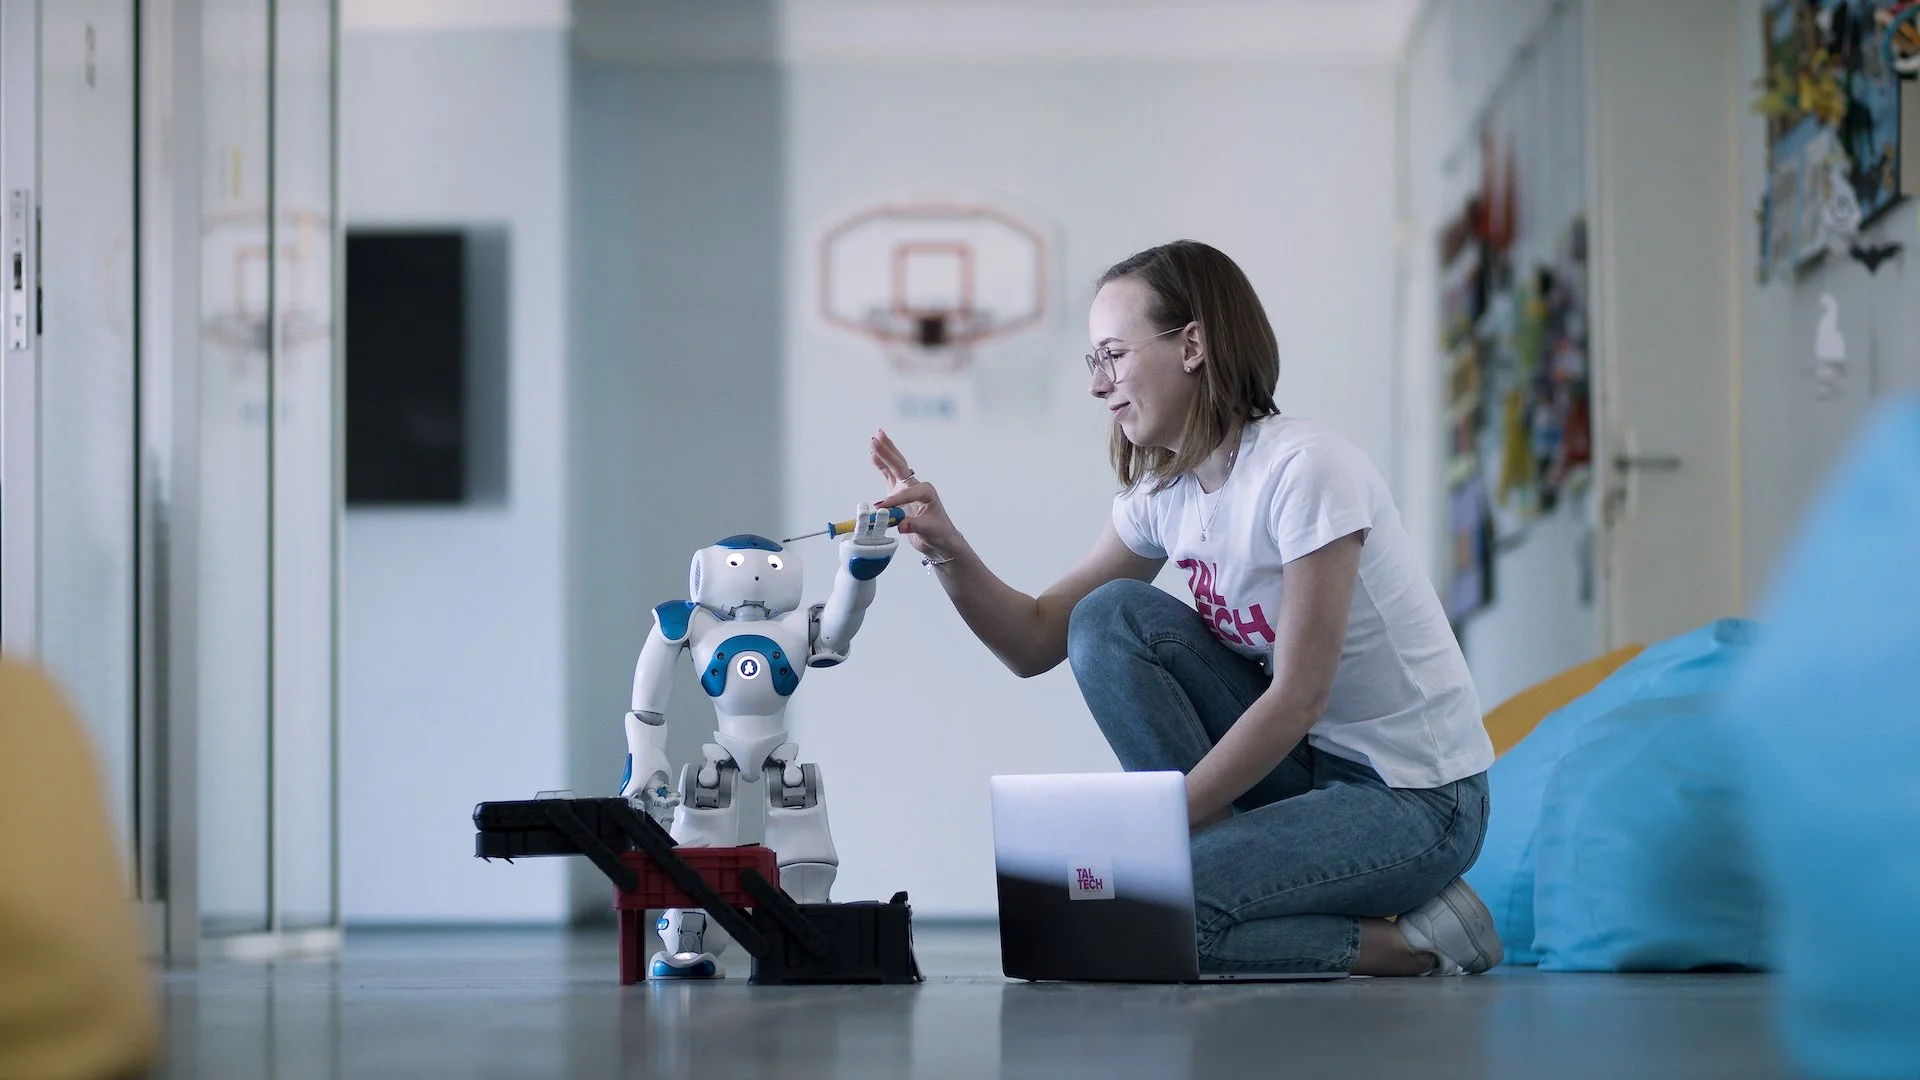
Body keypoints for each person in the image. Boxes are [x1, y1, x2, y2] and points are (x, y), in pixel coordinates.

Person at [868, 240, 1501, 976]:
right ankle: (1228, 871)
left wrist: (1151, 837)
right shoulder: (1163, 498)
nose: (1098, 385)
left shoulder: (1307, 471)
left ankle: (1416, 946)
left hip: (1417, 799)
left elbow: (1299, 696)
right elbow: (1036, 640)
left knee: (1153, 913)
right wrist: (946, 548)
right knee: (1108, 618)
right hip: (1309, 772)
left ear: (1192, 344)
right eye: (1092, 364)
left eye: (1112, 355)